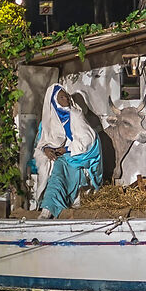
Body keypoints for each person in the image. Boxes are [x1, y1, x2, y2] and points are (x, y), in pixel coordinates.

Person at [32, 83, 103, 217]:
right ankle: (49, 207)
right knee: (53, 168)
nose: (67, 100)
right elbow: (42, 143)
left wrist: (66, 149)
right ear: (54, 100)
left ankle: (48, 208)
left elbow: (88, 139)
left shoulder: (76, 115)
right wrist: (47, 149)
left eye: (67, 97)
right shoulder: (48, 121)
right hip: (61, 157)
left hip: (79, 155)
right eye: (63, 98)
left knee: (59, 172)